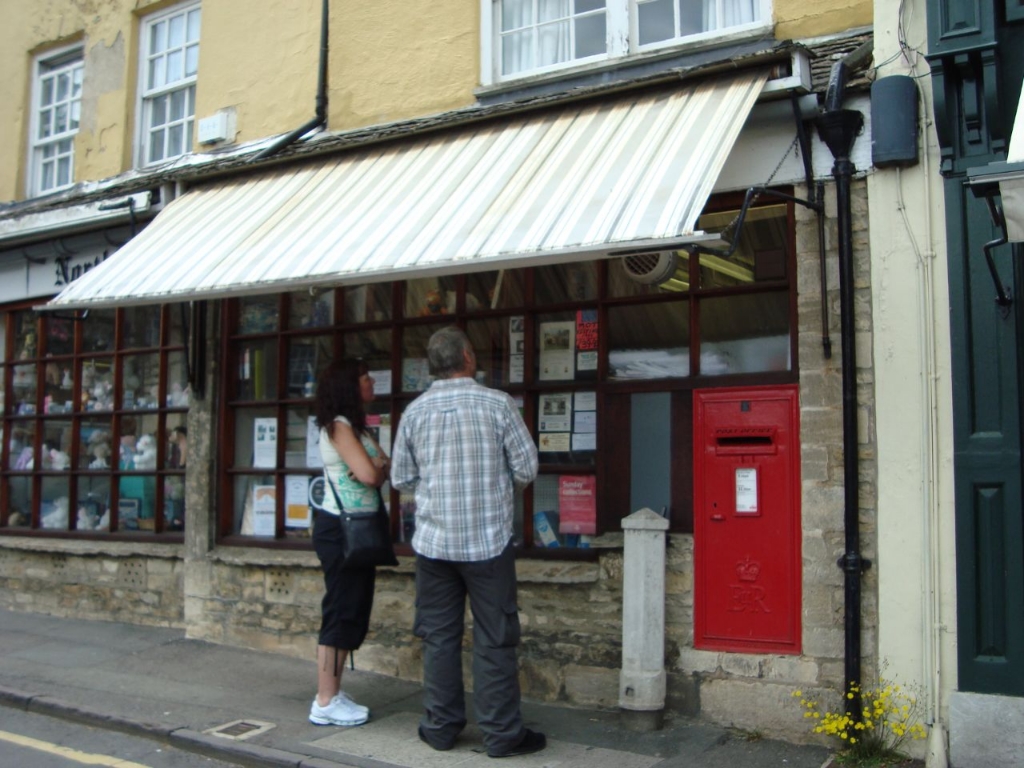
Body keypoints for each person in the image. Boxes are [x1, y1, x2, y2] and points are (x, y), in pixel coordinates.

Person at [390, 326, 544, 758]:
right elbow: (527, 468)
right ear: (469, 358)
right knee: (495, 638)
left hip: (434, 544)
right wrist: (496, 490)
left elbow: (401, 478)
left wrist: (436, 489)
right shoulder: (497, 404)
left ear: (432, 366)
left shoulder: (415, 412)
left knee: (439, 638)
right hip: (487, 544)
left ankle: (440, 728)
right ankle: (501, 735)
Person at [308, 359, 390, 728]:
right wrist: (378, 470)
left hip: (356, 530)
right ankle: (324, 700)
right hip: (340, 531)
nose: (371, 380)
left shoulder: (355, 428)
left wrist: (379, 469)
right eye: (364, 376)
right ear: (348, 385)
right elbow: (373, 472)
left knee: (353, 608)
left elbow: (381, 466)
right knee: (341, 609)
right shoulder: (340, 427)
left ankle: (334, 692)